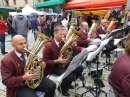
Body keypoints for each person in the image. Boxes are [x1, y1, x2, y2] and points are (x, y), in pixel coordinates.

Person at [42, 25, 95, 96]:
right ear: (54, 34)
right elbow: (45, 62)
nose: (63, 36)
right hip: (52, 67)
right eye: (60, 34)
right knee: (69, 75)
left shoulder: (61, 42)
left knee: (79, 67)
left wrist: (84, 49)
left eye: (63, 34)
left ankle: (67, 83)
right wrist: (57, 61)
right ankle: (62, 89)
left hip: (62, 63)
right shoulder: (48, 45)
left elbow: (71, 47)